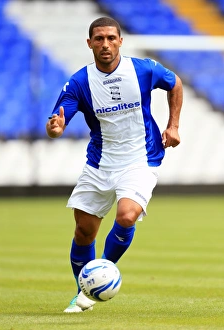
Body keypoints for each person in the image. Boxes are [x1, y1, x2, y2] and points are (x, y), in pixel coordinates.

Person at [46, 16, 183, 313]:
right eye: (99, 39)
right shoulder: (80, 82)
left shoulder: (142, 69)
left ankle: (95, 282)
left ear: (121, 40)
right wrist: (55, 128)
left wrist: (173, 126)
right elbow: (59, 119)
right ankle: (84, 286)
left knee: (127, 215)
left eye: (111, 38)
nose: (105, 44)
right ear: (89, 43)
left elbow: (175, 83)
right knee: (84, 231)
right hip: (100, 162)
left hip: (140, 158)